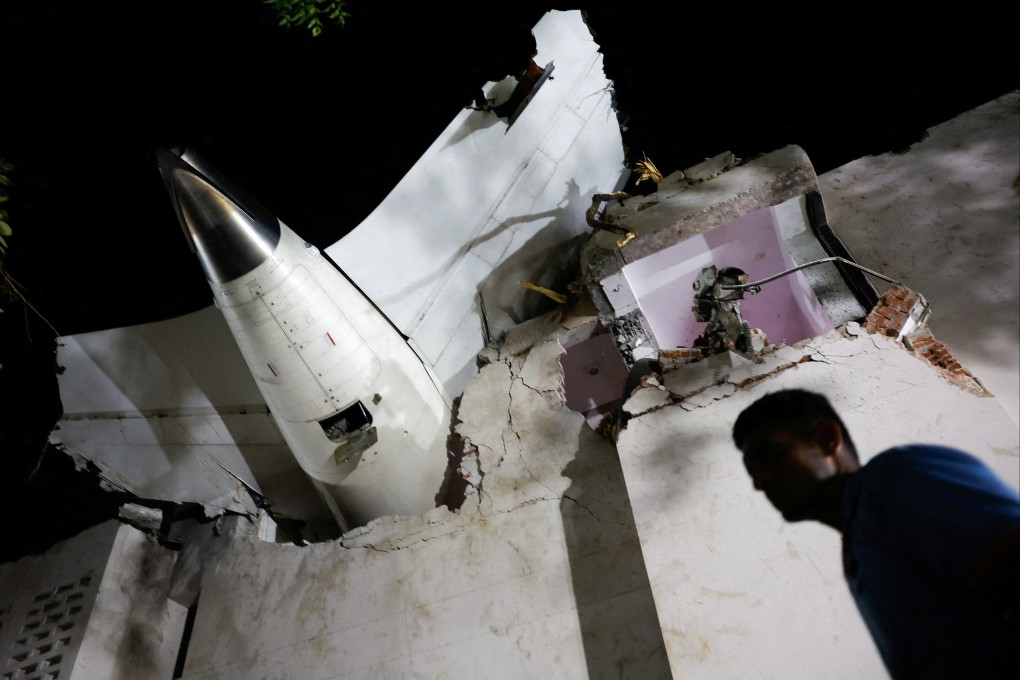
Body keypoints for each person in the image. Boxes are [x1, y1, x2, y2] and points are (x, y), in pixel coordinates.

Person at [731, 388, 1020, 680]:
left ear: (826, 440)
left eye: (769, 456)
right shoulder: (859, 539)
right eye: (751, 471)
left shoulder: (897, 478)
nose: (759, 482)